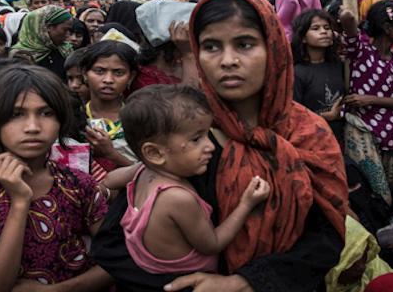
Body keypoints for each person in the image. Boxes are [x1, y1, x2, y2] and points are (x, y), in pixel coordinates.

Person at [92, 0, 348, 292]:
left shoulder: (309, 134)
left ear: (275, 48)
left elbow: (326, 238)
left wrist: (246, 282)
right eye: (211, 46)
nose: (228, 61)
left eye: (245, 44)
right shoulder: (184, 133)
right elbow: (113, 244)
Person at [0, 65, 112, 292]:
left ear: (61, 120)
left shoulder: (79, 184)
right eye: (16, 114)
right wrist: (20, 203)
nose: (32, 127)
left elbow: (116, 260)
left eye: (46, 113)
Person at [105, 85, 270, 275]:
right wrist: (246, 204)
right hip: (190, 281)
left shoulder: (143, 170)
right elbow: (212, 244)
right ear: (154, 153)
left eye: (208, 134)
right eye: (196, 139)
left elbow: (110, 179)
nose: (210, 146)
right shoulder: (176, 198)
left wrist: (102, 189)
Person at [340, 0, 393, 201]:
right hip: (364, 133)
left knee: (391, 190)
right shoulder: (361, 53)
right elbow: (348, 24)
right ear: (388, 28)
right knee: (373, 193)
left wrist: (370, 99)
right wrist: (347, 14)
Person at [82, 40, 139, 171]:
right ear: (85, 73)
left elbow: (150, 171)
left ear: (131, 77)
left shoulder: (140, 118)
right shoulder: (73, 117)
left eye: (118, 73)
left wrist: (111, 154)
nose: (108, 80)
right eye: (99, 71)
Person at [291, 9, 345, 143]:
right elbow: (293, 116)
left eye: (327, 28)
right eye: (315, 28)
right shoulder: (297, 72)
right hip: (313, 141)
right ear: (303, 37)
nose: (324, 31)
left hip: (341, 138)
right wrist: (327, 116)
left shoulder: (339, 65)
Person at [10, 5, 74, 80]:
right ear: (48, 27)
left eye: (70, 30)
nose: (68, 35)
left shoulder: (65, 50)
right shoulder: (20, 56)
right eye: (65, 30)